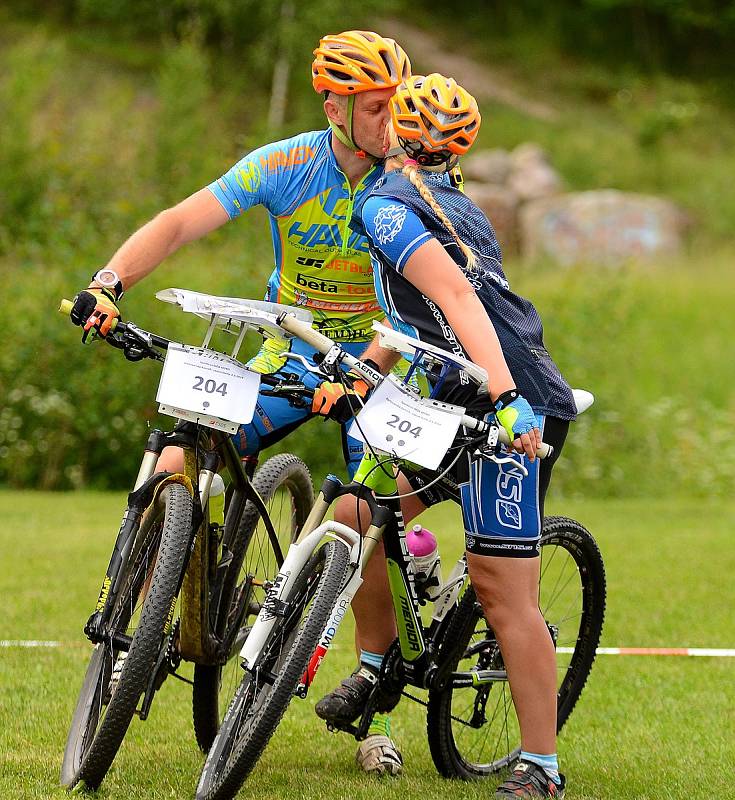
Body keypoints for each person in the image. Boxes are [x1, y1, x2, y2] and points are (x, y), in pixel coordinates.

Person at [69, 30, 411, 773]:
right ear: (334, 105)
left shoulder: (409, 177)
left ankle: (373, 672)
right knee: (179, 447)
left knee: (362, 516)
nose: (391, 120)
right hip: (291, 347)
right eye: (376, 107)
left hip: (379, 360)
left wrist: (367, 368)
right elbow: (182, 220)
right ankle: (158, 586)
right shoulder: (288, 163)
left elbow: (425, 305)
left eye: (395, 105)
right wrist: (108, 282)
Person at [315, 73, 577, 799]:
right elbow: (416, 316)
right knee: (357, 514)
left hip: (507, 406)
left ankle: (541, 769)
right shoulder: (439, 200)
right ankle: (375, 670)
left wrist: (505, 399)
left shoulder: (390, 205)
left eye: (380, 114)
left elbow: (461, 299)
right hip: (455, 401)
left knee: (500, 590)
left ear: (395, 132)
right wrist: (362, 371)